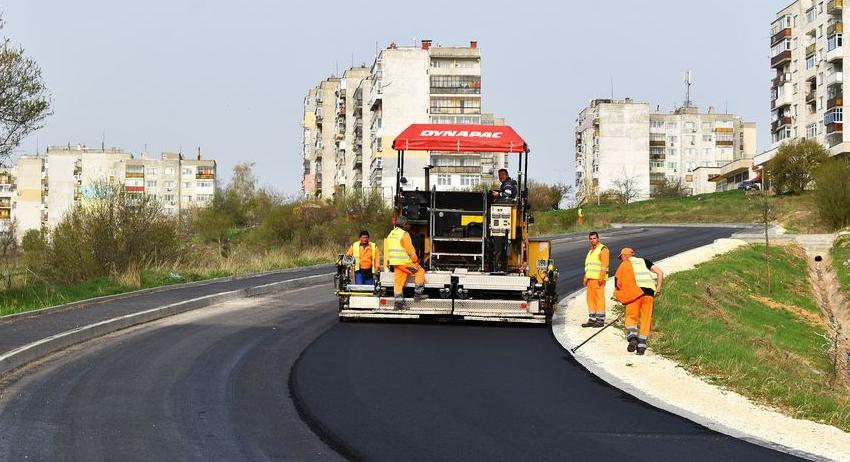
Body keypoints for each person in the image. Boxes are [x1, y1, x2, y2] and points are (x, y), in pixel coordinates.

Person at [613, 247, 664, 355]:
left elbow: (617, 282)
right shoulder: (643, 261)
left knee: (631, 317)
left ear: (624, 256)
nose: (621, 259)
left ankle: (632, 337)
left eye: (621, 257)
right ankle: (641, 347)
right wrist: (658, 289)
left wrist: (621, 296)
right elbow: (660, 273)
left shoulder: (624, 264)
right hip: (649, 293)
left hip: (635, 293)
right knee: (646, 319)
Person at [384, 215, 427, 309]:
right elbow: (410, 250)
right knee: (420, 271)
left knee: (398, 283)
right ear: (404, 224)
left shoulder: (392, 233)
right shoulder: (404, 234)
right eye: (408, 224)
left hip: (395, 262)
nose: (409, 226)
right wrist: (416, 261)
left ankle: (398, 304)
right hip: (404, 262)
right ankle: (418, 294)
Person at [581, 231, 610, 328]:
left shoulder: (603, 249)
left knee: (599, 300)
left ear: (598, 238)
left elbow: (604, 266)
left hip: (598, 280)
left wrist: (601, 277)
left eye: (594, 238)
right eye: (591, 239)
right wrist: (585, 277)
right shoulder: (591, 251)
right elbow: (588, 266)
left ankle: (600, 320)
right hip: (590, 280)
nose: (592, 240)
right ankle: (592, 319)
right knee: (590, 300)